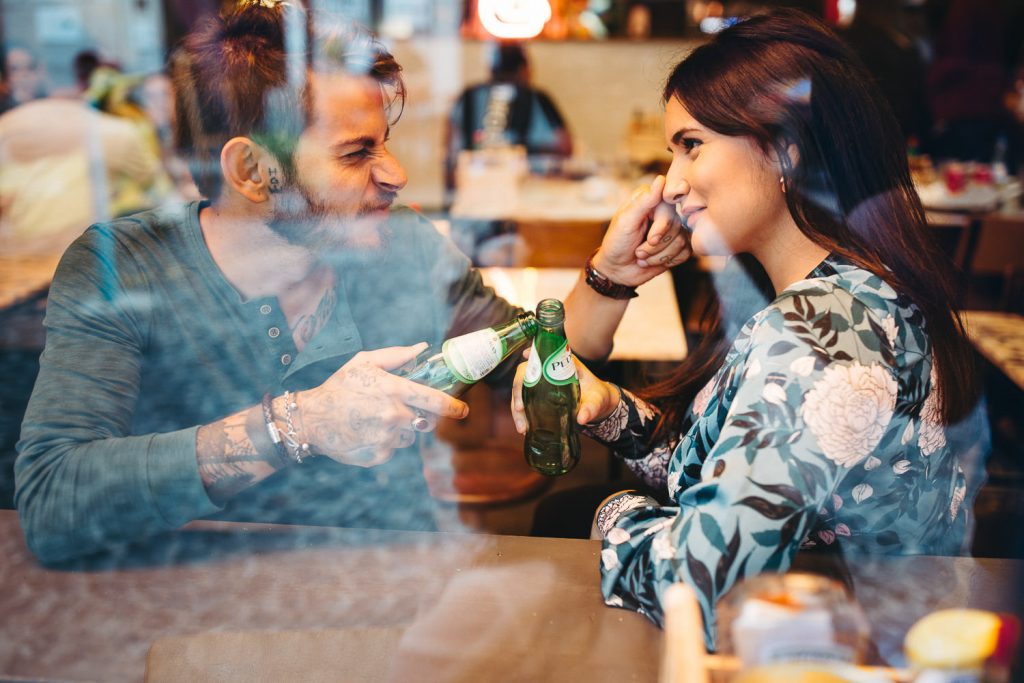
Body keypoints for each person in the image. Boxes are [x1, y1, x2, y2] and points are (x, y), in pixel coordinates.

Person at [14, 0, 686, 564]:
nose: (395, 173)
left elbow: (541, 360)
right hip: (193, 603)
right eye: (356, 152)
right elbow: (53, 501)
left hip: (393, 593)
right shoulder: (124, 267)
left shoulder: (404, 249)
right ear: (252, 172)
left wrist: (612, 275)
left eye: (384, 140)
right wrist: (299, 422)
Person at [511, 8, 980, 649]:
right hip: (850, 616)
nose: (670, 184)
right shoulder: (846, 287)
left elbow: (706, 584)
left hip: (838, 643)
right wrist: (608, 407)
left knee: (566, 517)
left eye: (691, 144)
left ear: (785, 149)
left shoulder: (825, 331)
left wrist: (611, 513)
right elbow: (732, 467)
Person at [444, 42, 572, 195]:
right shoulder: (535, 97)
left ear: (491, 69)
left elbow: (449, 148)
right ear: (524, 69)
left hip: (472, 192)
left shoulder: (469, 96)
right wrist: (524, 150)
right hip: (523, 194)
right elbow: (565, 146)